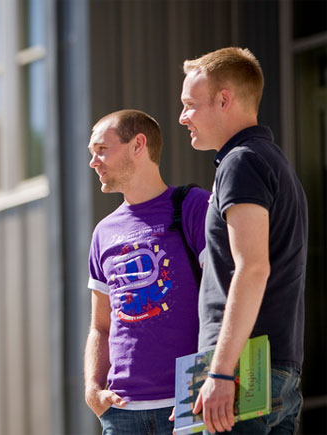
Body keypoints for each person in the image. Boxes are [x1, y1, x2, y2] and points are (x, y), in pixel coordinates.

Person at [176, 47, 308, 434]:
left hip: (240, 372)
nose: (183, 117)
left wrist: (218, 372)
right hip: (274, 370)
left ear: (224, 99)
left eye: (190, 104)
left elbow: (252, 268)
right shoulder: (274, 163)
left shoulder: (241, 163)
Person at [83, 110, 210, 435]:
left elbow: (226, 296)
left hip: (189, 403)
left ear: (138, 145)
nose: (93, 162)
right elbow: (100, 324)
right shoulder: (103, 232)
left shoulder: (195, 206)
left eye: (101, 149)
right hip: (121, 413)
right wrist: (93, 388)